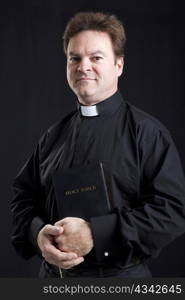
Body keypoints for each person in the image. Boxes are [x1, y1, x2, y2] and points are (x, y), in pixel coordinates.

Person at [11, 12, 185, 278]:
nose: (83, 66)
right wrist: (38, 236)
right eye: (74, 58)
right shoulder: (52, 137)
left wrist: (96, 232)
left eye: (96, 57)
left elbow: (173, 211)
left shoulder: (148, 133)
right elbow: (23, 199)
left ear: (119, 65)